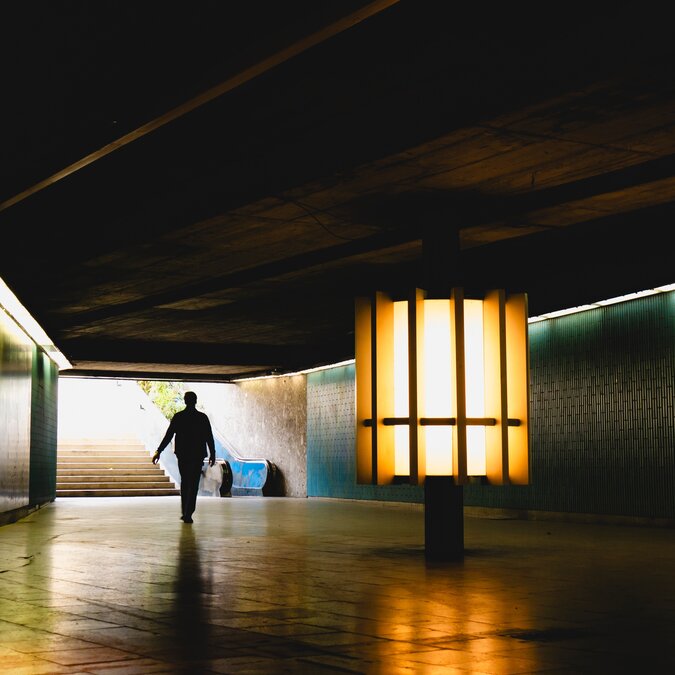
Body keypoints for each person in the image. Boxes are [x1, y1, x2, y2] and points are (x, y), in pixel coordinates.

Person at [153, 391, 215, 523]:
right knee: (193, 484)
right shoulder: (202, 418)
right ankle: (189, 512)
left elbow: (168, 435)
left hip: (183, 455)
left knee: (185, 482)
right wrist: (213, 453)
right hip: (197, 455)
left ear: (185, 401)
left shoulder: (179, 417)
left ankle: (185, 511)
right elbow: (209, 437)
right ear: (196, 401)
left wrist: (158, 451)